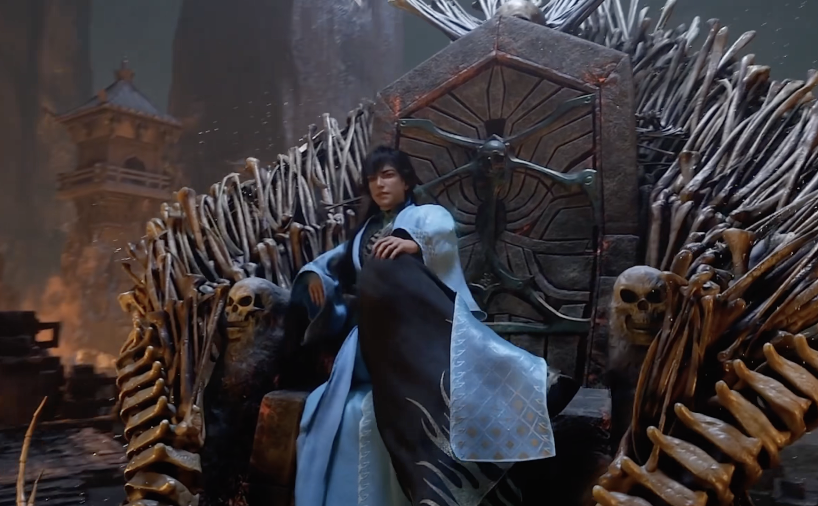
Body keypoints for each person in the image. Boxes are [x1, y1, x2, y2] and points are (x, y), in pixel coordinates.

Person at [291, 146, 557, 506]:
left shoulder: (422, 215)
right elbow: (332, 263)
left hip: (416, 331)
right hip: (372, 338)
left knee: (391, 271)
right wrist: (314, 276)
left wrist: (413, 244)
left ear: (406, 181)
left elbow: (441, 230)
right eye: (372, 179)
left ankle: (524, 380)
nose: (379, 185)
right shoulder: (363, 233)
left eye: (387, 175)